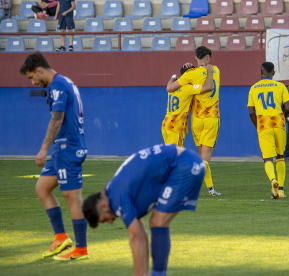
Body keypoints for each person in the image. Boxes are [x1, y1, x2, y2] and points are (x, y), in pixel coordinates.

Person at [82, 144, 205, 276]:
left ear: (102, 206)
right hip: (186, 162)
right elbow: (141, 234)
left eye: (104, 220)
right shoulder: (113, 191)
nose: (110, 222)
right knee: (155, 223)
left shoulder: (117, 197)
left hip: (185, 165)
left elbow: (136, 237)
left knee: (158, 222)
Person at [19, 52, 89, 260]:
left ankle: (81, 249)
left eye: (32, 77)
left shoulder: (58, 85)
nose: (32, 81)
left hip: (68, 148)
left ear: (39, 70)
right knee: (42, 188)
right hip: (61, 149)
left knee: (72, 198)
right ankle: (61, 238)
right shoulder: (61, 83)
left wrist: (43, 148)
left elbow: (57, 119)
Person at [166, 46, 221, 196]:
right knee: (201, 159)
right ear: (208, 57)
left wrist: (174, 77)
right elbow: (208, 86)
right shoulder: (215, 70)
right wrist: (207, 70)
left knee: (197, 158)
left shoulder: (187, 80)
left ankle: (210, 189)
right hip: (207, 119)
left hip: (189, 121)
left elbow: (170, 88)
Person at [248, 62, 289, 199]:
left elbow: (251, 112)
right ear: (273, 73)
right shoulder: (281, 86)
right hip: (278, 122)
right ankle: (281, 191)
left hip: (263, 123)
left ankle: (273, 180)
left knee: (267, 158)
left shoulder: (254, 88)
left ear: (261, 71)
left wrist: (258, 126)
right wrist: (282, 118)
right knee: (280, 156)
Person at [162, 64, 214, 147]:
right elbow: (207, 87)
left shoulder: (173, 87)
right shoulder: (188, 88)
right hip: (176, 126)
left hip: (166, 124)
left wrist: (173, 77)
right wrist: (209, 71)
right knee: (176, 155)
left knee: (170, 154)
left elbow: (170, 84)